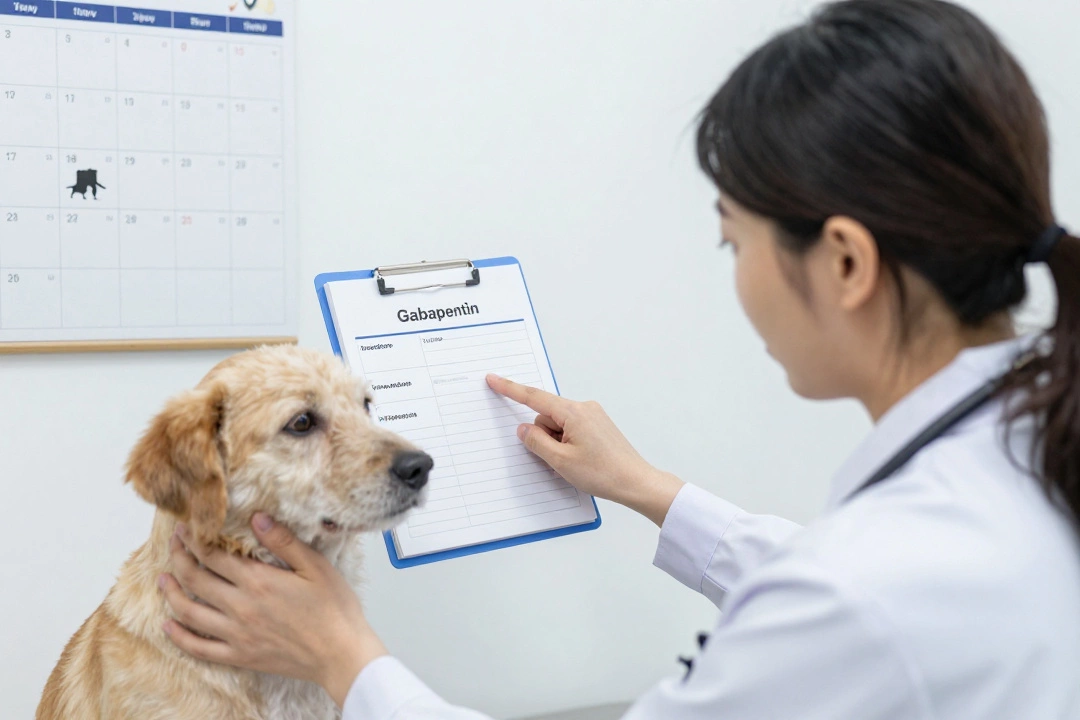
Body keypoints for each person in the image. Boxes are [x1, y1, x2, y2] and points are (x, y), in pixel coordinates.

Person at [155, 1, 1080, 716]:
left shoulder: (871, 586)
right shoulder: (1026, 464)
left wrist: (342, 653)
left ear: (844, 262)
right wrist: (649, 488)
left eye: (733, 241)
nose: (737, 279)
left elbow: (853, 608)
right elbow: (854, 598)